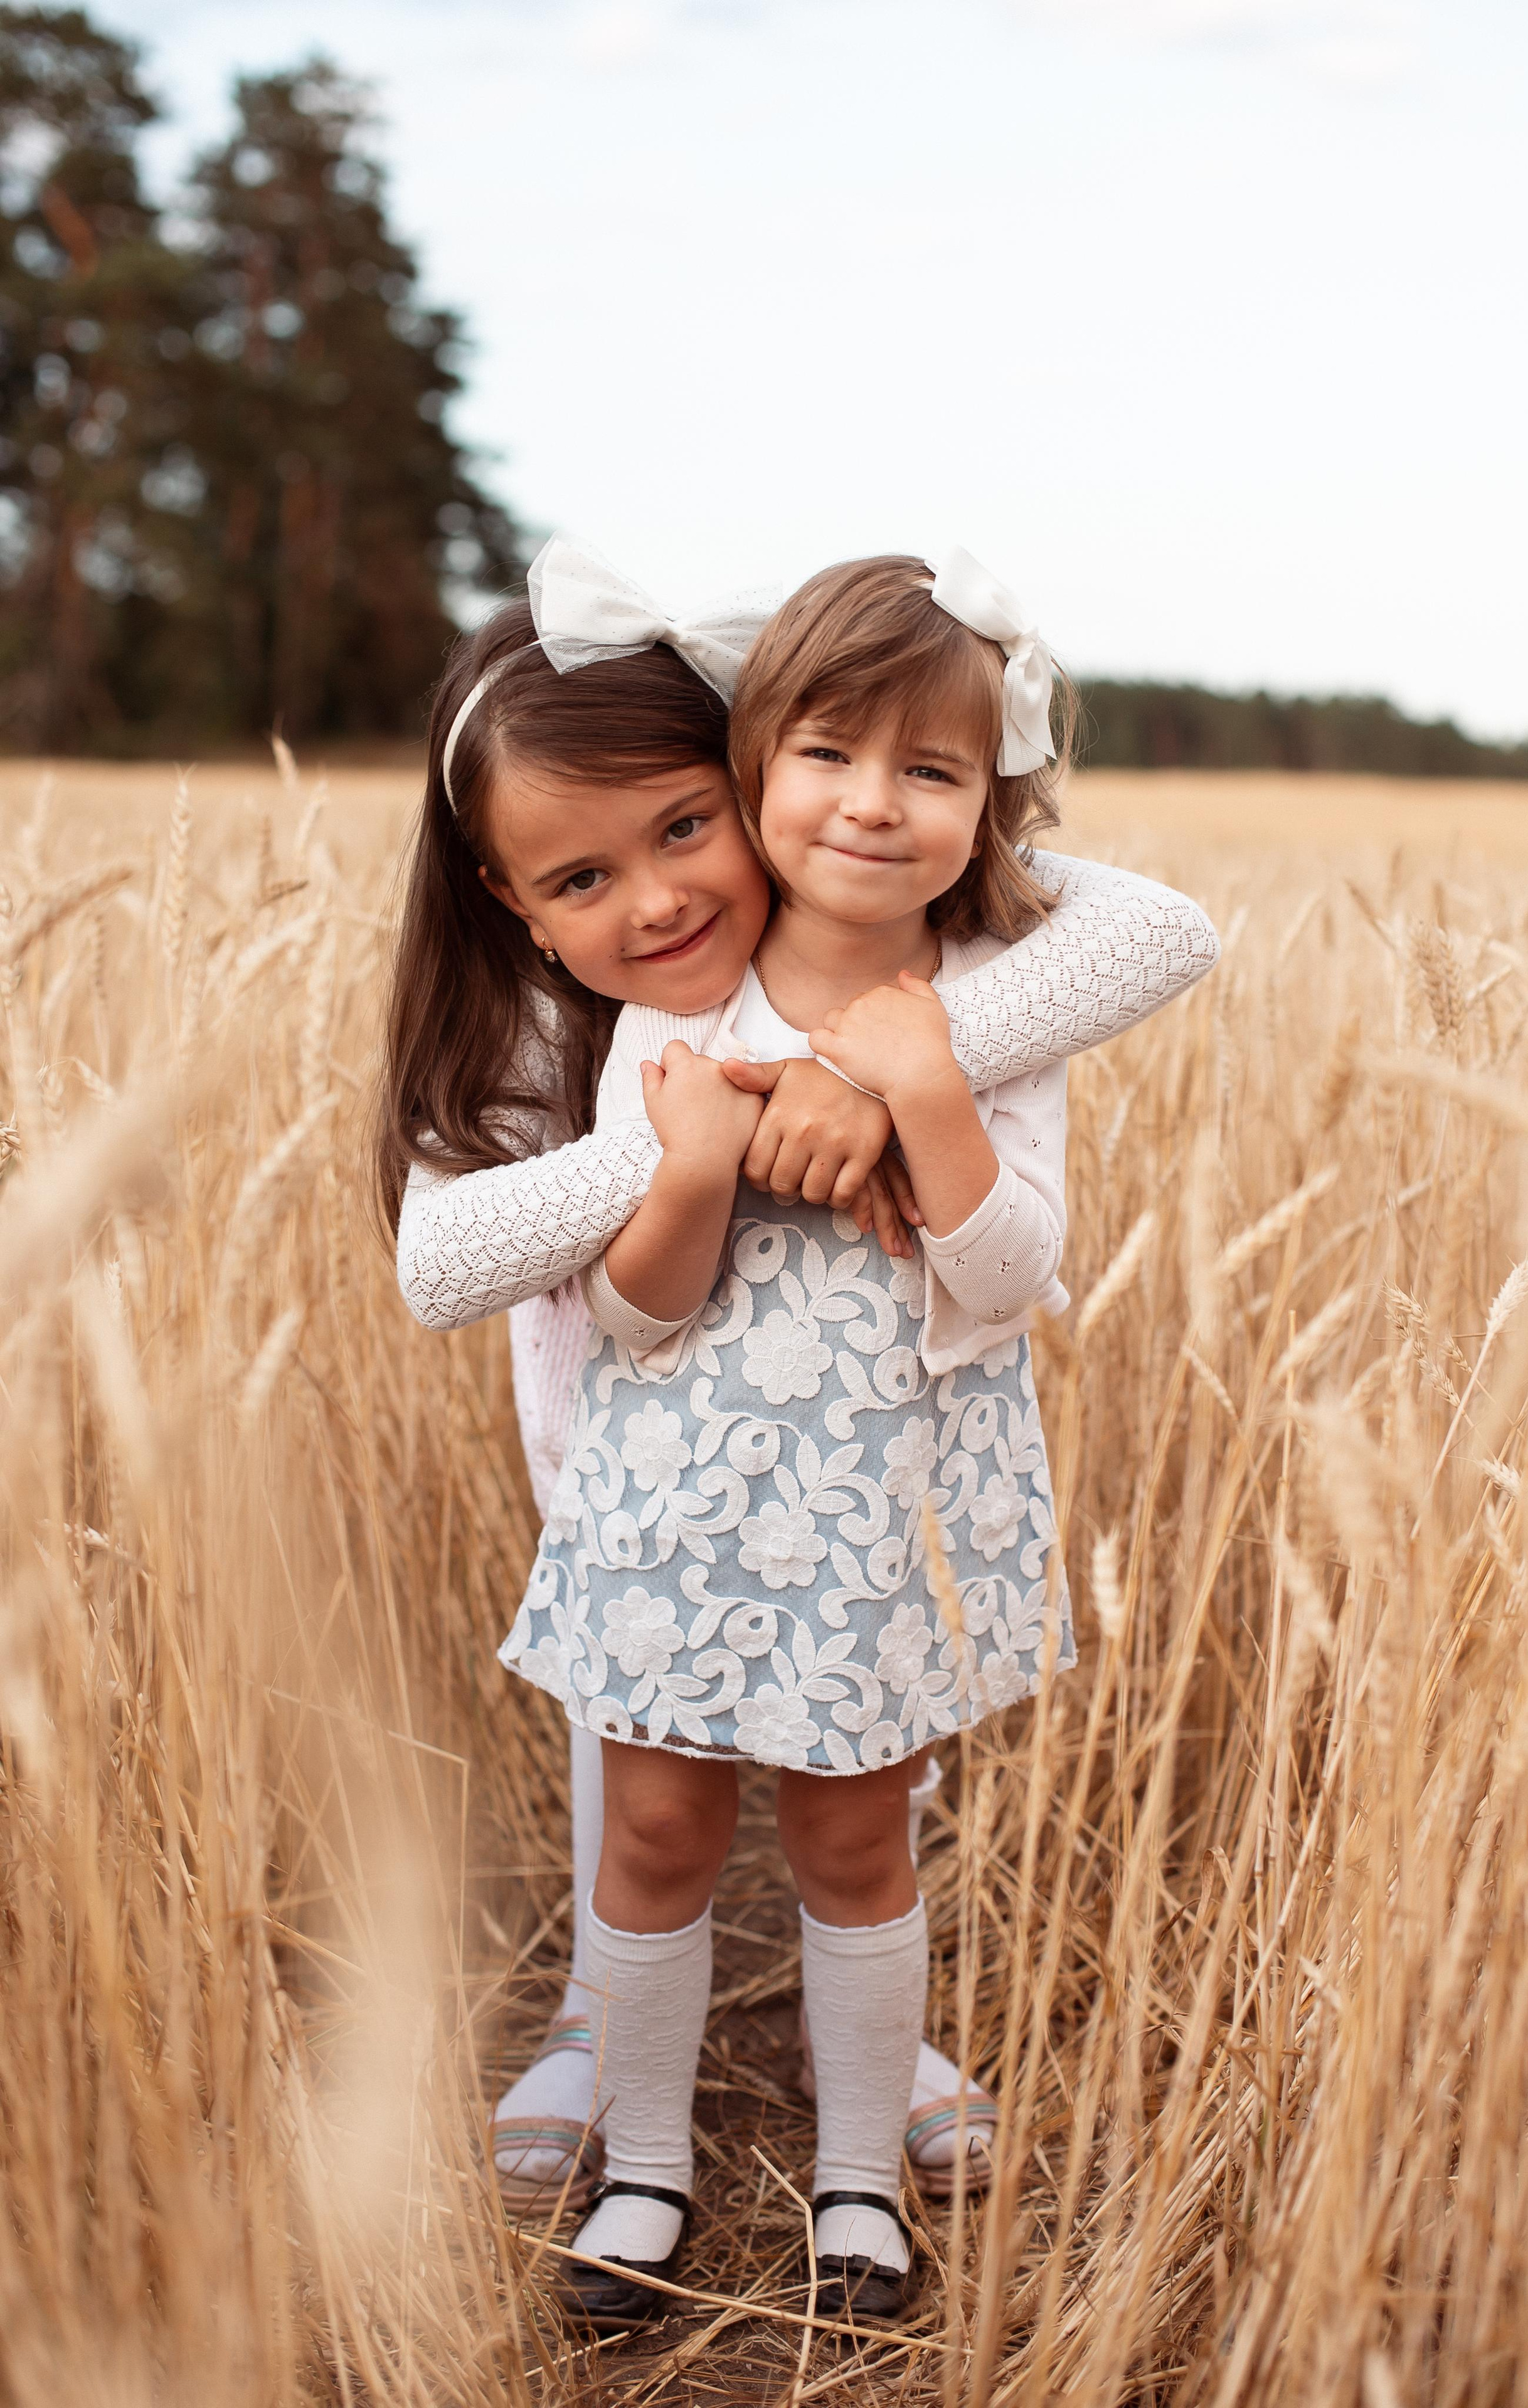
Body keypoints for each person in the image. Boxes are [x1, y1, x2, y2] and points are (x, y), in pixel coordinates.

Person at [377, 537, 1219, 2294]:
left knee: (855, 1836)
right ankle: (650, 2161)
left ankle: (856, 2175)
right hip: (670, 1498)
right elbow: (625, 1302)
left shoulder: (963, 994)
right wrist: (684, 1165)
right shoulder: (661, 1025)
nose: (665, 895)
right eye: (825, 762)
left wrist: (905, 1084)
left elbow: (1013, 1270)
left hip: (879, 1509)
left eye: (687, 830)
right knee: (661, 1831)